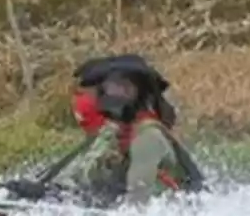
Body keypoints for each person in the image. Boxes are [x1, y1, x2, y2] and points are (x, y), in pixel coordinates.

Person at [56, 56, 202, 207]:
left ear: (134, 91)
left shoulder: (148, 137)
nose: (110, 91)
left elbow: (138, 203)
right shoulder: (111, 133)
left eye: (120, 85)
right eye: (109, 85)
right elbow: (80, 181)